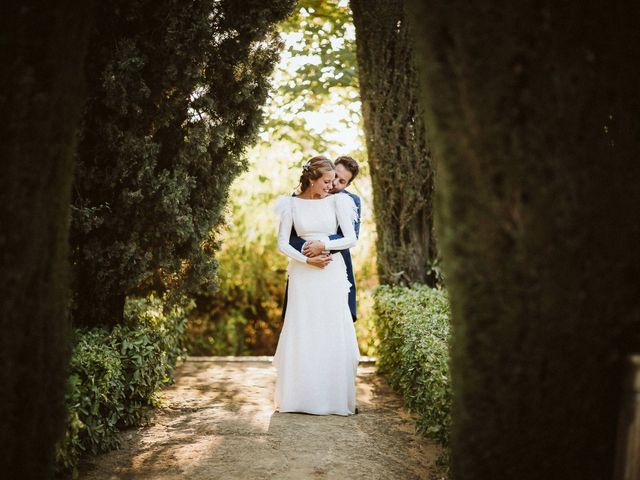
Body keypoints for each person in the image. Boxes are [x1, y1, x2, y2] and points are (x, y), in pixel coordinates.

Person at [273, 156, 360, 416]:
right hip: (303, 273)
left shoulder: (340, 202)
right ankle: (298, 398)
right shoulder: (290, 204)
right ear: (311, 179)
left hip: (331, 271)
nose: (331, 186)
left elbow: (351, 238)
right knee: (303, 327)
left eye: (334, 181)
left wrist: (324, 244)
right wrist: (306, 260)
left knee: (330, 327)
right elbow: (282, 243)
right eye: (326, 181)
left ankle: (332, 399)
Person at [282, 156, 361, 321]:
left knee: (332, 319)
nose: (334, 184)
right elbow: (289, 238)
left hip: (333, 264)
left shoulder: (348, 201)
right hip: (304, 265)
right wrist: (307, 250)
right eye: (333, 177)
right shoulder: (295, 200)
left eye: (341, 181)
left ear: (347, 185)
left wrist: (322, 245)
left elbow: (351, 236)